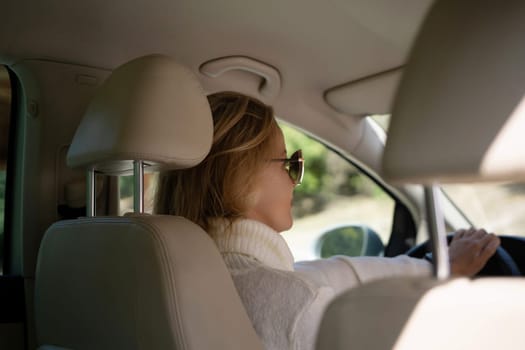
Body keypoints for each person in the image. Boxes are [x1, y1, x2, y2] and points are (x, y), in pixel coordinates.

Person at [155, 91, 500, 350]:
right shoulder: (292, 302)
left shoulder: (174, 276)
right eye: (289, 162)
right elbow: (296, 291)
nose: (295, 179)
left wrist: (436, 269)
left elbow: (327, 272)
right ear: (239, 177)